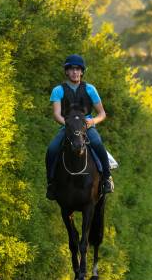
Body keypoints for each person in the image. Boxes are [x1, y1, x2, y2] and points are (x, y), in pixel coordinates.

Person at [45, 54, 114, 200]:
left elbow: (102, 113)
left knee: (97, 143)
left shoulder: (90, 89)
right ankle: (51, 183)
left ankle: (107, 178)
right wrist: (69, 125)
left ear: (82, 72)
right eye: (71, 69)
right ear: (67, 72)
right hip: (68, 126)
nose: (75, 72)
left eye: (78, 69)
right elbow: (57, 114)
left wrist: (93, 121)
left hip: (87, 126)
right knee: (52, 149)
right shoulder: (58, 90)